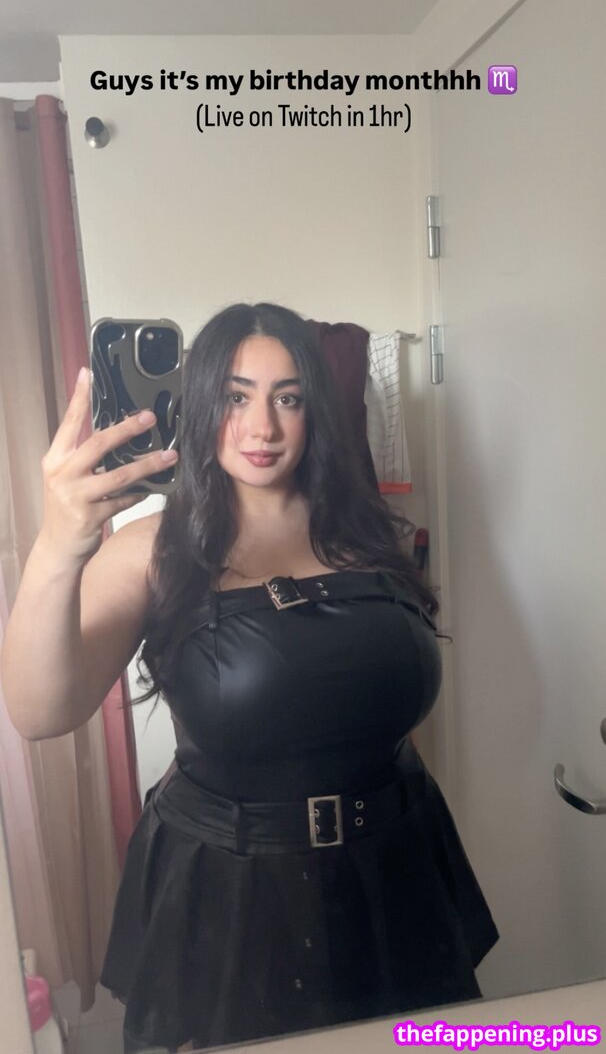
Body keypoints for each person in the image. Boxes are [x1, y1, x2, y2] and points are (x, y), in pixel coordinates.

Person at [1, 302, 498, 1053]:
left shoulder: (368, 533)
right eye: (236, 397)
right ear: (201, 404)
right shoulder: (154, 550)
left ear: (314, 410)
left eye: (287, 398)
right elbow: (39, 712)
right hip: (231, 897)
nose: (262, 427)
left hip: (395, 871)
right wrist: (58, 544)